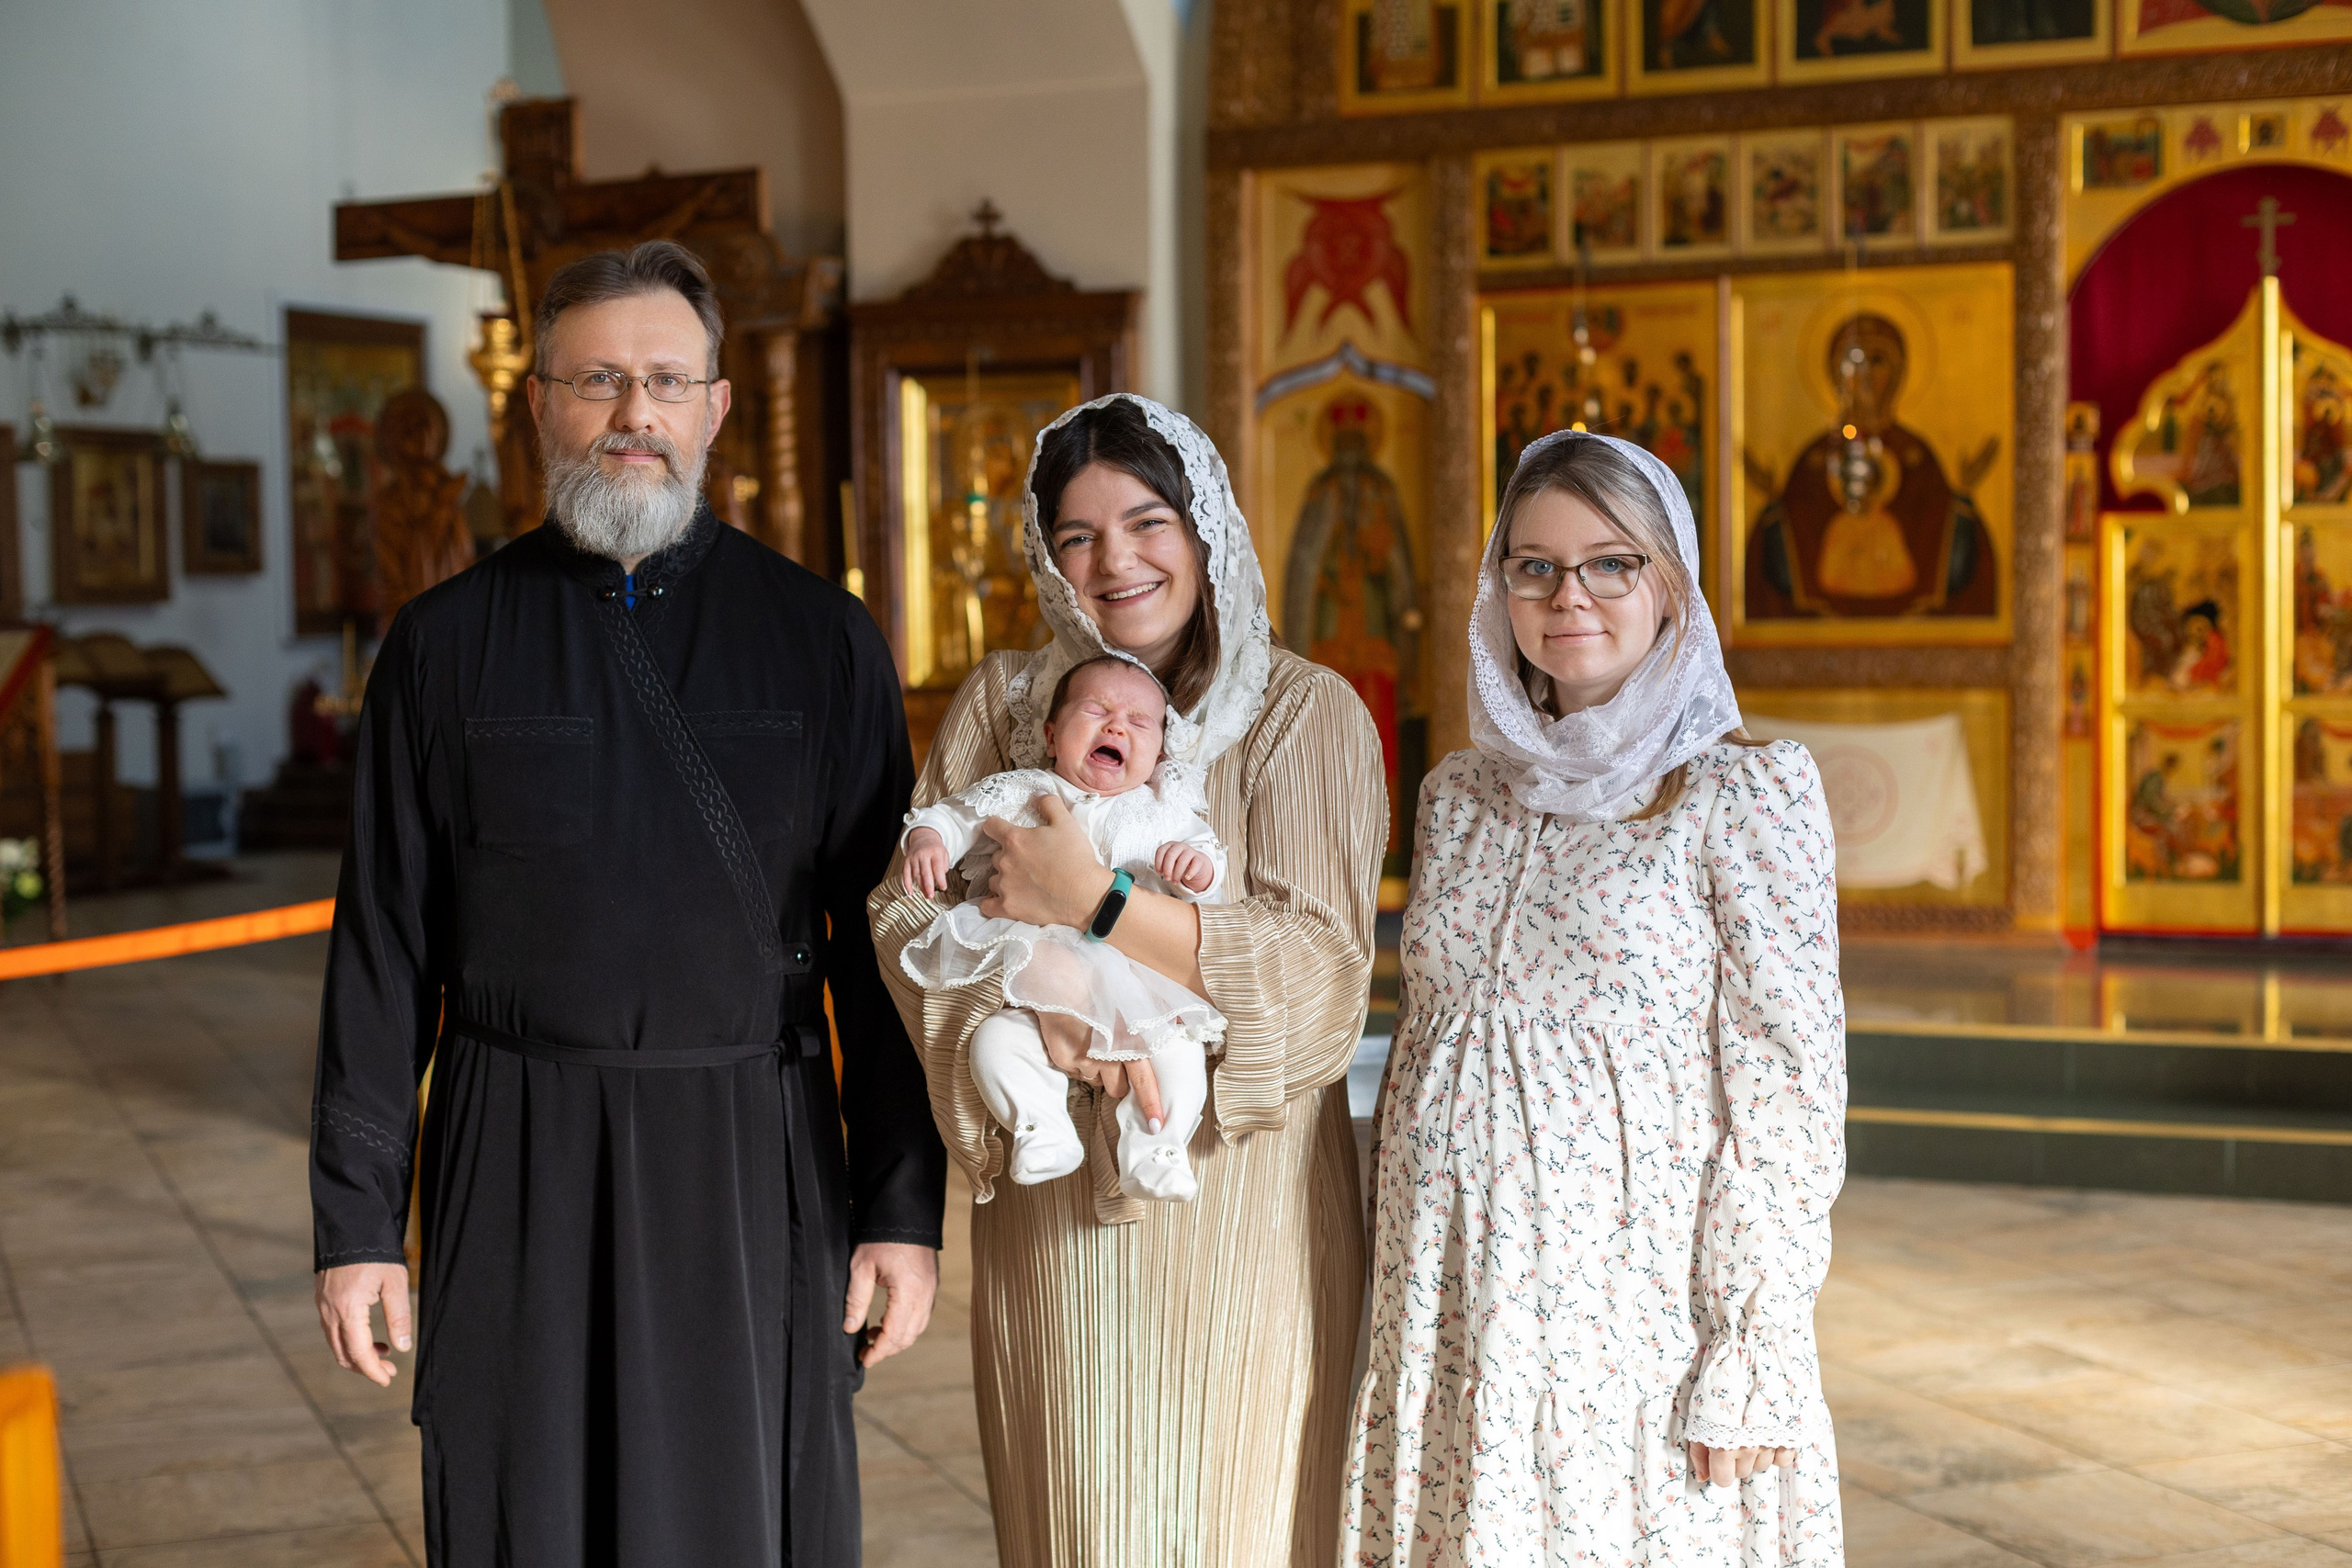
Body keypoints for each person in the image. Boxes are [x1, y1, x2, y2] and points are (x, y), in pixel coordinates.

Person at [309, 240, 945, 1566]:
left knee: (745, 1515)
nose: (633, 412)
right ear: (540, 403)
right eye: (598, 380)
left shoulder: (822, 638)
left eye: (665, 380)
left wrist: (899, 1205)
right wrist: (359, 1222)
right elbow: (381, 950)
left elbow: (887, 953)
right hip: (514, 1148)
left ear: (717, 406)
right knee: (522, 1507)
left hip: (750, 1154)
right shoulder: (441, 644)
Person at [867, 393, 1385, 1564]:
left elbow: (1319, 977)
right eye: (1078, 537)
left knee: (1240, 1524)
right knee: (1078, 1521)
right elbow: (905, 909)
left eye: (1148, 522)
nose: (1116, 562)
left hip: (1242, 1209)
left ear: (1206, 531)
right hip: (1054, 1219)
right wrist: (1041, 1020)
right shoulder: (1005, 708)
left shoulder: (1306, 716)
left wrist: (1093, 902)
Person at [1344, 429, 1848, 1563]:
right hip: (1452, 1304)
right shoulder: (1459, 793)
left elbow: (1787, 1090)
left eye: (1609, 563)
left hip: (1631, 1317)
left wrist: (1752, 1345)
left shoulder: (1742, 792)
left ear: (1670, 585)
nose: (1567, 594)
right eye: (1534, 566)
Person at [898, 652, 1228, 1202]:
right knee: (996, 1044)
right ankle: (1041, 1128)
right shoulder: (1022, 789)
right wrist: (929, 840)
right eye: (1096, 710)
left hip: (1134, 978)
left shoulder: (1163, 812)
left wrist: (1196, 871)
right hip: (1038, 970)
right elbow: (954, 815)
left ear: (1159, 754)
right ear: (1051, 736)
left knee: (1179, 1052)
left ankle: (1159, 1149)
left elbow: (1210, 879)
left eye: (1139, 721)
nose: (1116, 726)